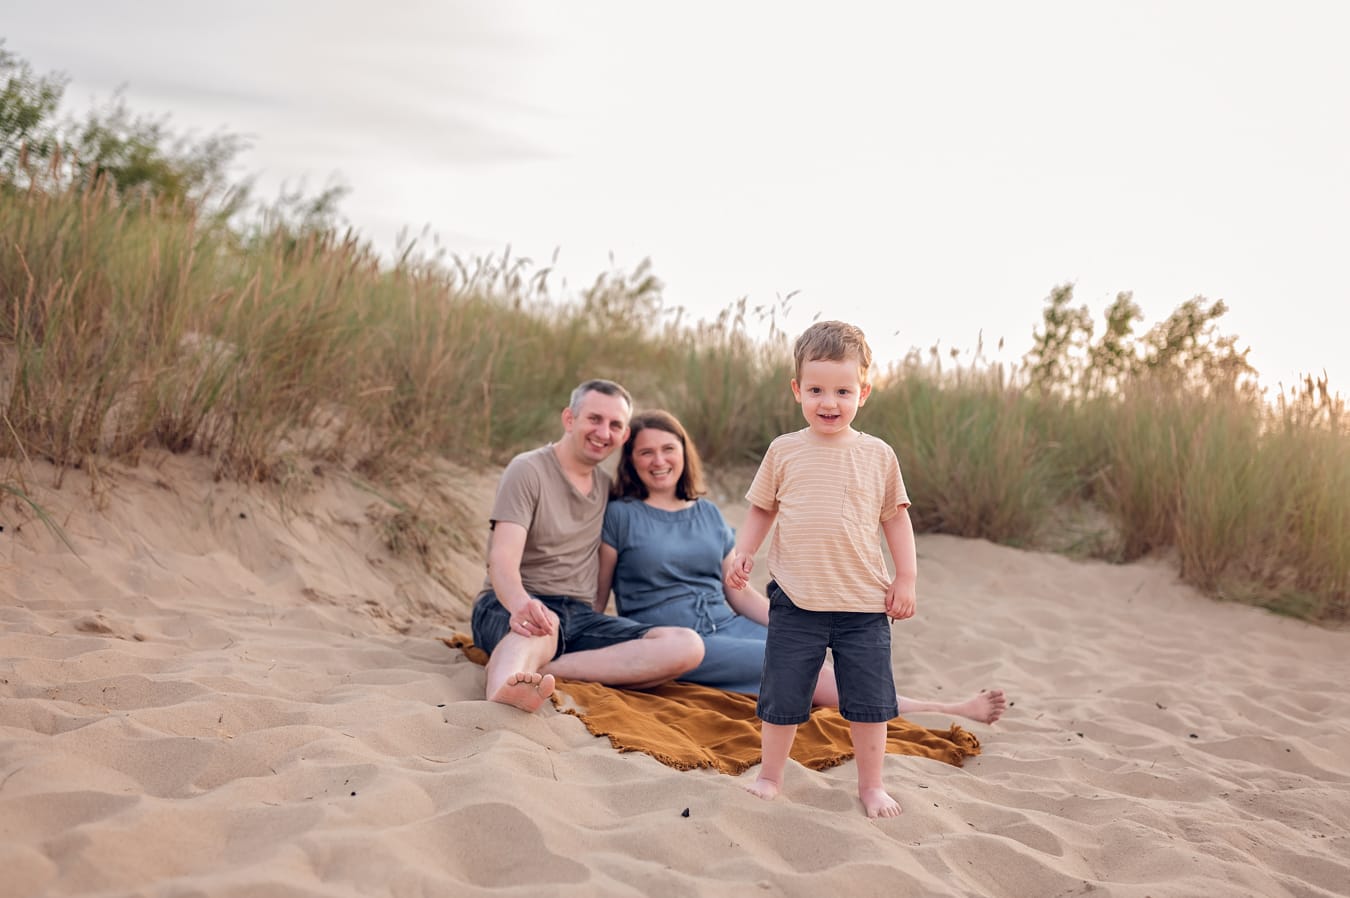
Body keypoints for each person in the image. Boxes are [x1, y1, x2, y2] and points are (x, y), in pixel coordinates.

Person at [597, 409, 1004, 718]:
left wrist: (790, 623)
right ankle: (938, 711)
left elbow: (737, 594)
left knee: (809, 651)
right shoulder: (620, 516)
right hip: (678, 637)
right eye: (645, 452)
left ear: (683, 453)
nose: (659, 460)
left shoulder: (706, 514)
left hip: (728, 622)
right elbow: (600, 594)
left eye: (668, 449)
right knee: (783, 663)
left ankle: (886, 705)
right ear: (631, 460)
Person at [726, 320, 918, 818]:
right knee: (783, 692)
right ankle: (771, 776)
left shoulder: (878, 455)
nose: (828, 402)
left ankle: (871, 785)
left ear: (863, 392)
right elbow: (763, 509)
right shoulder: (783, 450)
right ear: (797, 390)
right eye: (816, 390)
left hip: (864, 604)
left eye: (842, 390)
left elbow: (896, 520)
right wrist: (743, 551)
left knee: (869, 701)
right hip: (796, 598)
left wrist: (906, 578)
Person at [470, 379, 705, 712]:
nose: (603, 432)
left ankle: (541, 670)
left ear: (623, 437)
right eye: (594, 419)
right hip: (508, 603)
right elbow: (501, 558)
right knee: (540, 630)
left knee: (686, 645)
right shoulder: (528, 470)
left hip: (578, 617)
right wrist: (522, 604)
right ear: (570, 419)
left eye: (615, 425)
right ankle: (502, 695)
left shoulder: (606, 488)